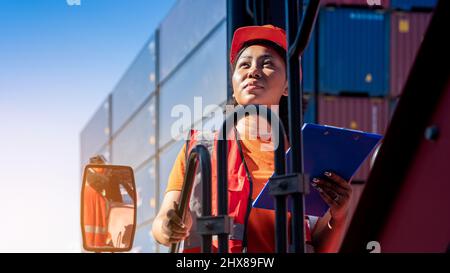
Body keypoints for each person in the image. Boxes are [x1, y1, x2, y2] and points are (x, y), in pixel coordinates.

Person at [152, 25, 352, 253]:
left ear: (288, 85)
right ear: (234, 83)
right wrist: (168, 226)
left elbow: (315, 245)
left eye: (267, 64)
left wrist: (339, 216)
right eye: (244, 64)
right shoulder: (199, 149)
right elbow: (162, 224)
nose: (253, 71)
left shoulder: (306, 159)